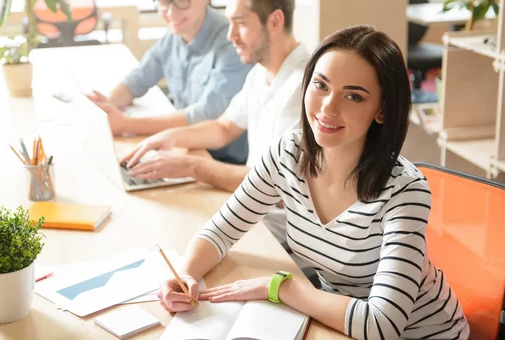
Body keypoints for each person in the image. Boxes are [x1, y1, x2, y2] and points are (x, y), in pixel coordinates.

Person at [156, 25, 470, 339]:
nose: (327, 107)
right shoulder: (288, 153)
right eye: (321, 85)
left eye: (353, 96)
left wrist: (280, 287)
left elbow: (381, 326)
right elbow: (220, 231)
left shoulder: (404, 191)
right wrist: (186, 273)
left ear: (382, 110)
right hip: (338, 323)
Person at [122, 0, 308, 248]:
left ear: (275, 21)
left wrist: (188, 165)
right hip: (249, 214)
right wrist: (166, 138)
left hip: (277, 238)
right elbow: (224, 127)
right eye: (230, 22)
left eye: (241, 24)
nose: (230, 35)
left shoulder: (304, 90)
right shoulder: (261, 73)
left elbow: (272, 186)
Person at [88, 0, 252, 164]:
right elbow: (138, 80)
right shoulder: (174, 35)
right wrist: (107, 107)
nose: (171, 12)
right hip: (183, 148)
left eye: (181, 1)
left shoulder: (231, 42)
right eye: (163, 2)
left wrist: (126, 124)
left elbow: (207, 115)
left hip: (221, 161)